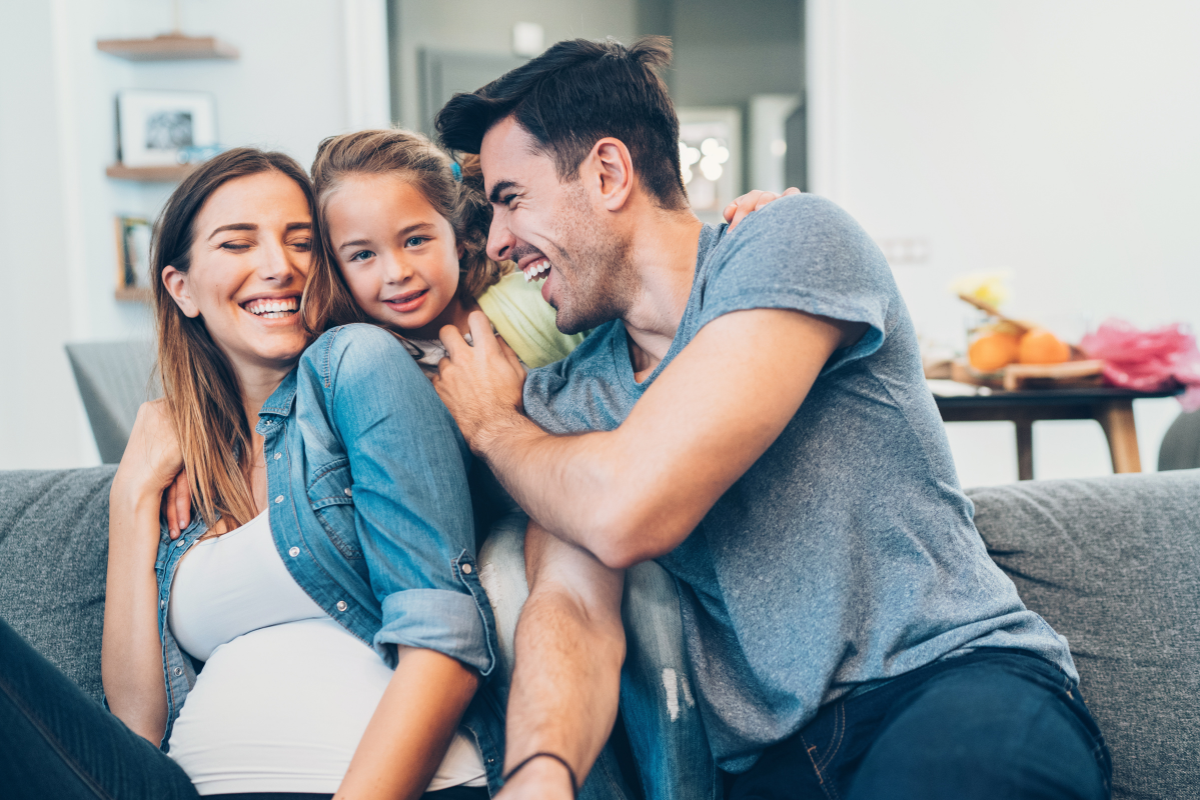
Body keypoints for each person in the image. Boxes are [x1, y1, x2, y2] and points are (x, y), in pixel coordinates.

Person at [430, 36, 1113, 800]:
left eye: (511, 198)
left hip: (950, 688)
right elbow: (574, 608)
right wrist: (540, 777)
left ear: (608, 172)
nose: (494, 241)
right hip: (770, 765)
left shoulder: (791, 242)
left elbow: (628, 508)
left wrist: (494, 427)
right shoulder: (568, 401)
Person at [0, 147, 500, 800]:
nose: (278, 267)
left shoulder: (361, 363)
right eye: (238, 244)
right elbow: (137, 723)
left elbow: (444, 644)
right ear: (181, 287)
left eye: (302, 243)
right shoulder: (187, 473)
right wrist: (131, 494)